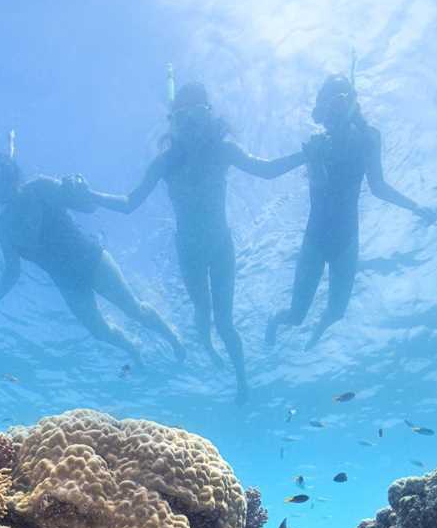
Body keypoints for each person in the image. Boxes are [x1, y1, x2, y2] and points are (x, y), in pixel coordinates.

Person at [87, 83, 305, 404]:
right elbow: (130, 201)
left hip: (220, 248)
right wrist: (88, 195)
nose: (192, 126)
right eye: (184, 119)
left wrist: (306, 154)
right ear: (174, 122)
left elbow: (267, 170)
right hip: (189, 251)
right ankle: (207, 346)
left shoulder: (224, 150)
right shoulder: (165, 162)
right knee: (203, 311)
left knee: (225, 321)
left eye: (198, 116)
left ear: (209, 117)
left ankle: (242, 380)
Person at [265, 74, 436, 351]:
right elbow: (319, 189)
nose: (332, 112)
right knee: (296, 317)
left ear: (352, 105)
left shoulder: (369, 138)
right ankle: (274, 322)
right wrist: (316, 161)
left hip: (346, 240)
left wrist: (415, 206)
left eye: (339, 103)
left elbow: (378, 186)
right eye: (326, 107)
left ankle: (317, 334)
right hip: (316, 240)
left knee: (336, 313)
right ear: (320, 114)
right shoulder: (318, 144)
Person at [0, 152, 184, 366]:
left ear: (11, 175)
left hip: (90, 259)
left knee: (133, 309)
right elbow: (12, 270)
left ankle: (173, 339)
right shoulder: (4, 227)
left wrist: (79, 188)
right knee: (99, 331)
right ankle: (132, 349)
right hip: (66, 282)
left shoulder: (40, 187)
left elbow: (88, 207)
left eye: (0, 179)